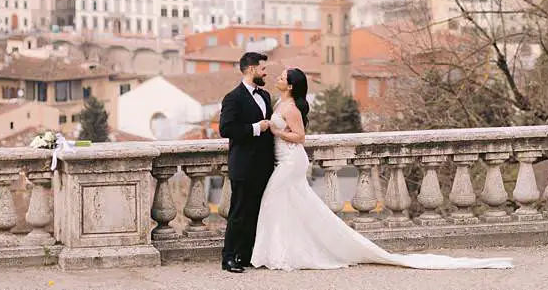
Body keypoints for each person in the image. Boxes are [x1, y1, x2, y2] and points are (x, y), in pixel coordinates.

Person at [248, 67, 512, 271]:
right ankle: (282, 250)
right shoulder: (279, 104)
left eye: (282, 77)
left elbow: (301, 137)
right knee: (287, 205)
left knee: (275, 200)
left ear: (290, 86)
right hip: (283, 160)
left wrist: (276, 130)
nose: (278, 78)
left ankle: (286, 252)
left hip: (292, 160)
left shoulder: (291, 107)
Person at [218, 51, 274, 273]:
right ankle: (228, 257)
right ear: (251, 69)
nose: (265, 73)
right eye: (262, 69)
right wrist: (255, 128)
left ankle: (246, 255)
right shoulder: (233, 98)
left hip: (264, 165)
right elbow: (226, 129)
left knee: (256, 212)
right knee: (238, 213)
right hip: (243, 165)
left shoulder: (266, 95)